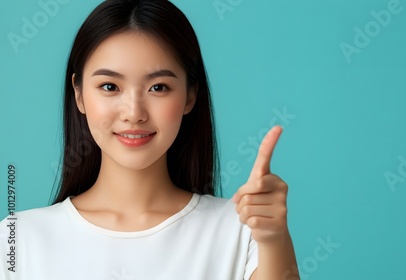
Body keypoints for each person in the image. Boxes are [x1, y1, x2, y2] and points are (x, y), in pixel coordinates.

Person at [0, 0, 299, 279]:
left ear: (190, 95)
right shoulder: (18, 239)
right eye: (109, 86)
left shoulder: (241, 231)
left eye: (158, 88)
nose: (134, 113)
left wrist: (274, 240)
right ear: (78, 93)